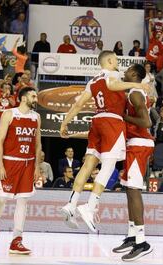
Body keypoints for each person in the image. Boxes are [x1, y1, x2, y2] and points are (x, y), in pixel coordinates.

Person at [59, 50, 149, 232]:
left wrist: (65, 122)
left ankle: (71, 203)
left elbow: (78, 104)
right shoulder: (112, 74)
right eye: (116, 60)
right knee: (109, 166)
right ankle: (90, 207)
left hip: (97, 120)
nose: (118, 64)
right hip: (112, 121)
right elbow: (112, 84)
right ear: (109, 60)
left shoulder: (92, 81)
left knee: (88, 165)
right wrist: (137, 84)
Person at [0, 87, 41, 255]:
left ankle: (17, 240)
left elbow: (38, 143)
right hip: (10, 162)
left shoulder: (36, 117)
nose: (36, 98)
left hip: (28, 163)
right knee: (2, 199)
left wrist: (37, 166)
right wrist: (0, 165)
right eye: (33, 95)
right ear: (23, 98)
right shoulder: (9, 114)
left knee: (23, 201)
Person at [112, 64, 154, 261]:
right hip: (133, 144)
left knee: (134, 190)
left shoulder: (135, 94)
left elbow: (147, 123)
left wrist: (124, 117)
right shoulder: (134, 93)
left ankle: (142, 242)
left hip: (139, 144)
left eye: (128, 70)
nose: (125, 71)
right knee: (129, 189)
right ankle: (131, 236)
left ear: (135, 75)